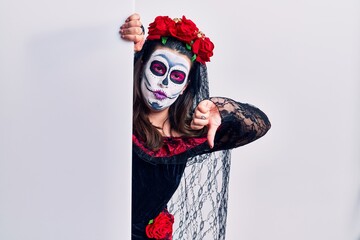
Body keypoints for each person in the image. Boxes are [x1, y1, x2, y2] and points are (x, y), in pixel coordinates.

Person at [120, 13, 271, 240]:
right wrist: (125, 45)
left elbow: (260, 125)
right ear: (142, 66)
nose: (165, 83)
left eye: (177, 76)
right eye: (159, 69)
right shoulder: (118, 115)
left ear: (185, 87)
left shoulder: (187, 133)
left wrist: (220, 108)